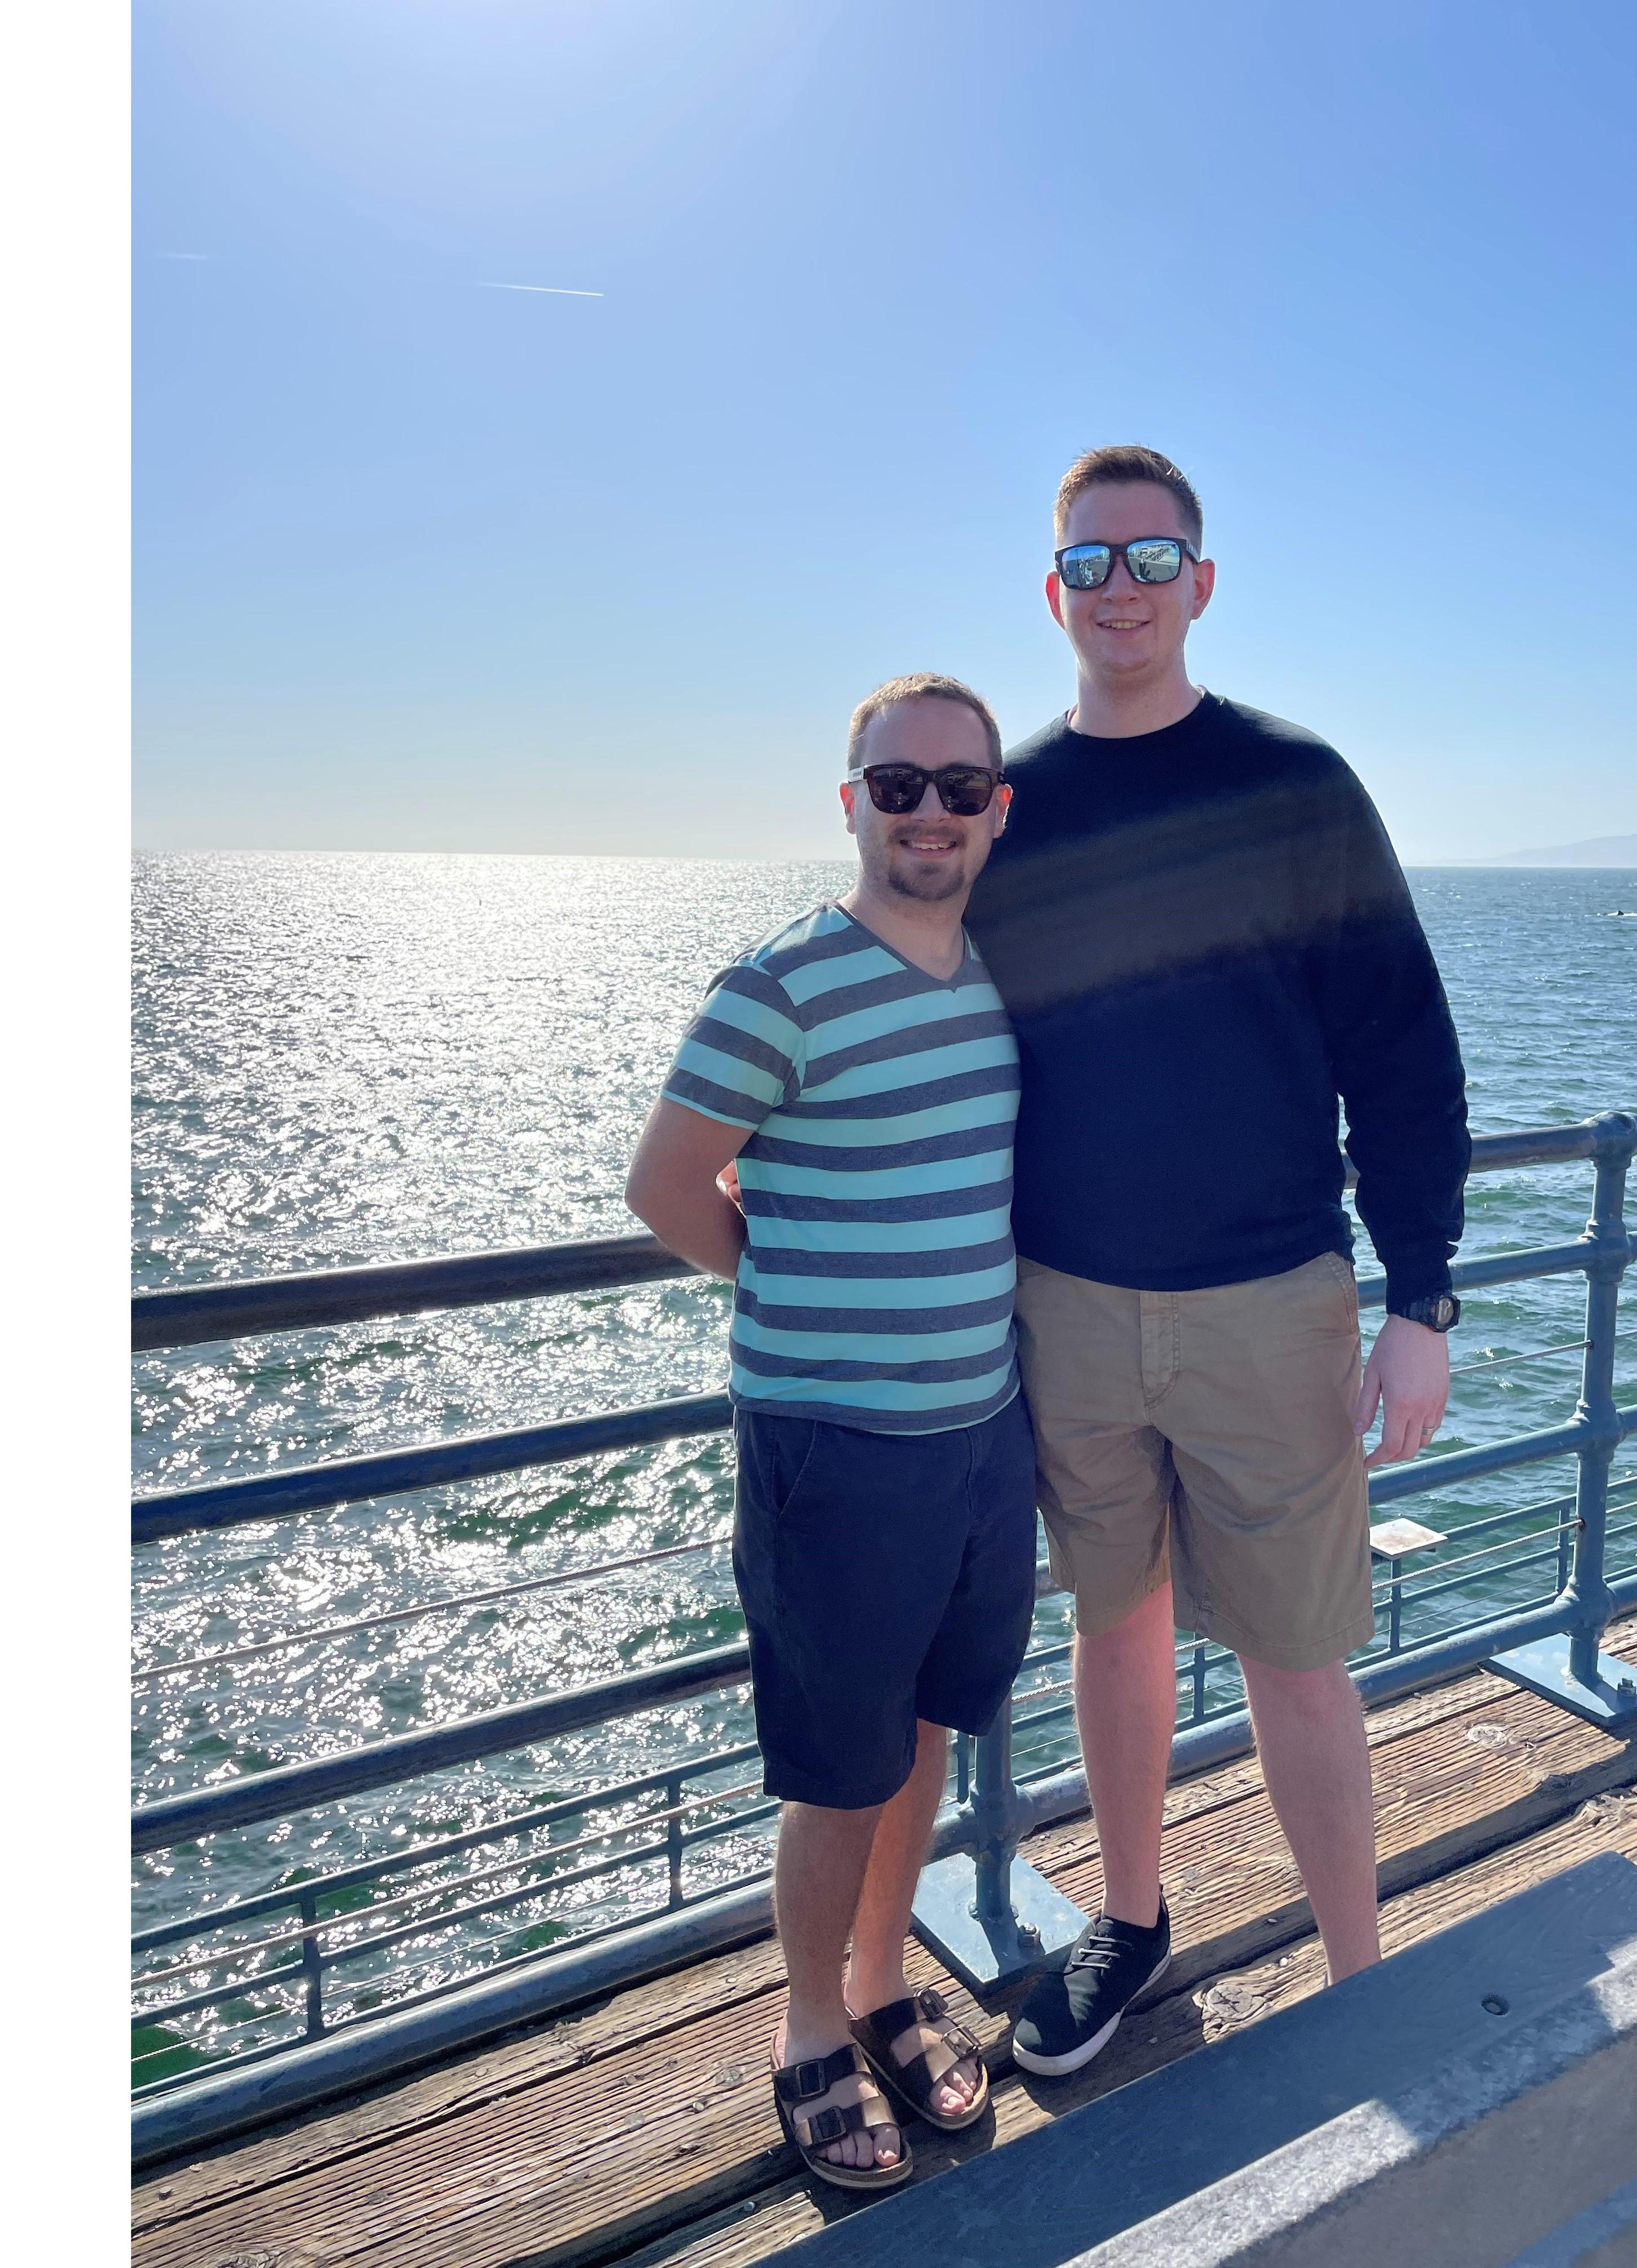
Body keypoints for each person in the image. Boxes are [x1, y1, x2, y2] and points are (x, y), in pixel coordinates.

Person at [962, 446, 1471, 2078]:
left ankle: (1357, 1982)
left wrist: (1423, 1297)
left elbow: (1403, 1050)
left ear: (1201, 579)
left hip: (1270, 1299)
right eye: (1090, 563)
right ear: (1055, 594)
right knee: (1112, 1628)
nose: (1121, 586)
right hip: (1067, 1303)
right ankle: (1133, 1921)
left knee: (1298, 1655)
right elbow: (931, 1019)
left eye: (1150, 554)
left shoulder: (1295, 786)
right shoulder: (1008, 812)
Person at [625, 673, 1033, 2190]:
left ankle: (878, 1985)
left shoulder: (1002, 972)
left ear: (1000, 808)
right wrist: (795, 1291)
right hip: (833, 1450)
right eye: (899, 784)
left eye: (960, 787)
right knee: (837, 1767)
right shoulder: (778, 986)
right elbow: (668, 1190)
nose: (929, 811)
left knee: (925, 1730)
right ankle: (808, 2027)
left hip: (984, 1434)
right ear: (851, 800)